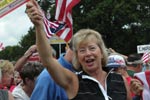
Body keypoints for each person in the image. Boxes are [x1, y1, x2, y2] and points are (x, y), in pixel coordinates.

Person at [26, 0, 143, 99]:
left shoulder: (120, 81)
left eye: (92, 48)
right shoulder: (73, 81)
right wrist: (39, 27)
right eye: (81, 50)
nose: (87, 53)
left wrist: (138, 96)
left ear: (101, 53)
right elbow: (47, 60)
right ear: (77, 57)